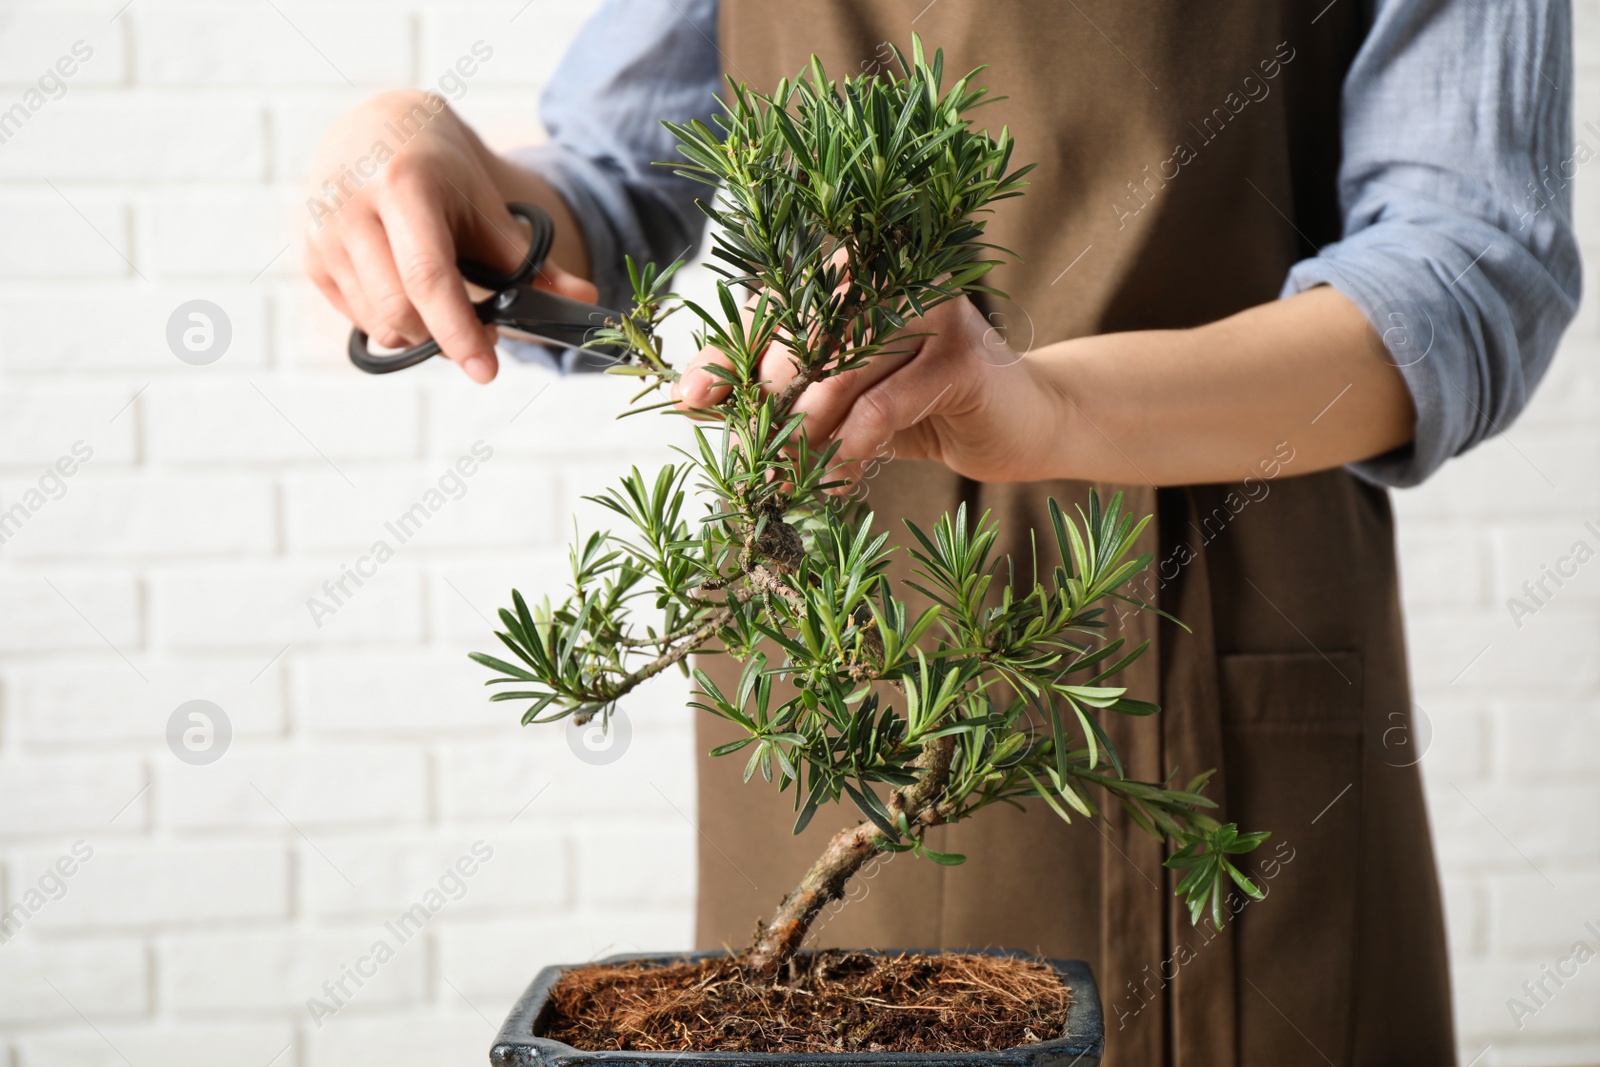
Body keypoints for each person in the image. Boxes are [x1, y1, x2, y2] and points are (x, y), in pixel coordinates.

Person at [304, 2, 1579, 1063]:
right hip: (829, 613)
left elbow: (1470, 269)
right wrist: (444, 177)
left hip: (1213, 603)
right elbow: (620, 183)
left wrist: (1046, 405)